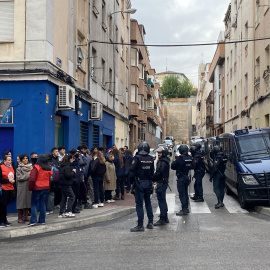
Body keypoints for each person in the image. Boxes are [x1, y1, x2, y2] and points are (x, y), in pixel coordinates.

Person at [129, 141, 155, 232]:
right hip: (148, 183)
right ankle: (150, 222)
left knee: (139, 204)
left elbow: (131, 170)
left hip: (139, 183)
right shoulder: (151, 158)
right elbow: (152, 173)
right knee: (148, 203)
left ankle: (140, 225)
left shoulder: (137, 158)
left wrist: (131, 183)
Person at [28, 154, 53, 226]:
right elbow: (50, 176)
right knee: (43, 204)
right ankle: (42, 220)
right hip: (46, 187)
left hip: (37, 187)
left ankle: (33, 221)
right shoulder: (49, 168)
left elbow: (32, 179)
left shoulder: (36, 167)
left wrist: (30, 187)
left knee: (33, 204)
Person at [171, 145, 193, 216]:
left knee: (182, 194)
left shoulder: (179, 158)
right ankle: (186, 208)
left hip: (181, 178)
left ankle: (184, 209)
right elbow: (192, 166)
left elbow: (172, 166)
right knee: (185, 193)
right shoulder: (190, 158)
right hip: (186, 176)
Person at [153, 147, 170, 226]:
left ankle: (162, 218)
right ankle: (165, 217)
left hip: (161, 183)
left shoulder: (162, 162)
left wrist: (152, 178)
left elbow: (159, 172)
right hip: (163, 182)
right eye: (158, 153)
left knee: (161, 200)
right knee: (162, 200)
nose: (158, 154)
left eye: (160, 153)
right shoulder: (165, 161)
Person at [16, 154, 32, 223]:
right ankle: (19, 217)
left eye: (26, 158)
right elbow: (20, 178)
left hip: (28, 187)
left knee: (28, 201)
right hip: (21, 187)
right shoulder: (19, 168)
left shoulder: (31, 167)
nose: (26, 160)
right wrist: (28, 175)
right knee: (20, 202)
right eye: (24, 159)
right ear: (21, 160)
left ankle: (26, 216)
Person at [0, 155, 16, 227]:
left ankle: (5, 220)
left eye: (11, 160)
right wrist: (8, 180)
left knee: (5, 205)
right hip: (4, 188)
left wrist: (13, 181)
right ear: (5, 161)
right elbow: (0, 179)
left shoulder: (12, 167)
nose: (10, 162)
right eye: (8, 160)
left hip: (10, 188)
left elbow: (13, 176)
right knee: (2, 205)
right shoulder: (1, 167)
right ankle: (1, 221)